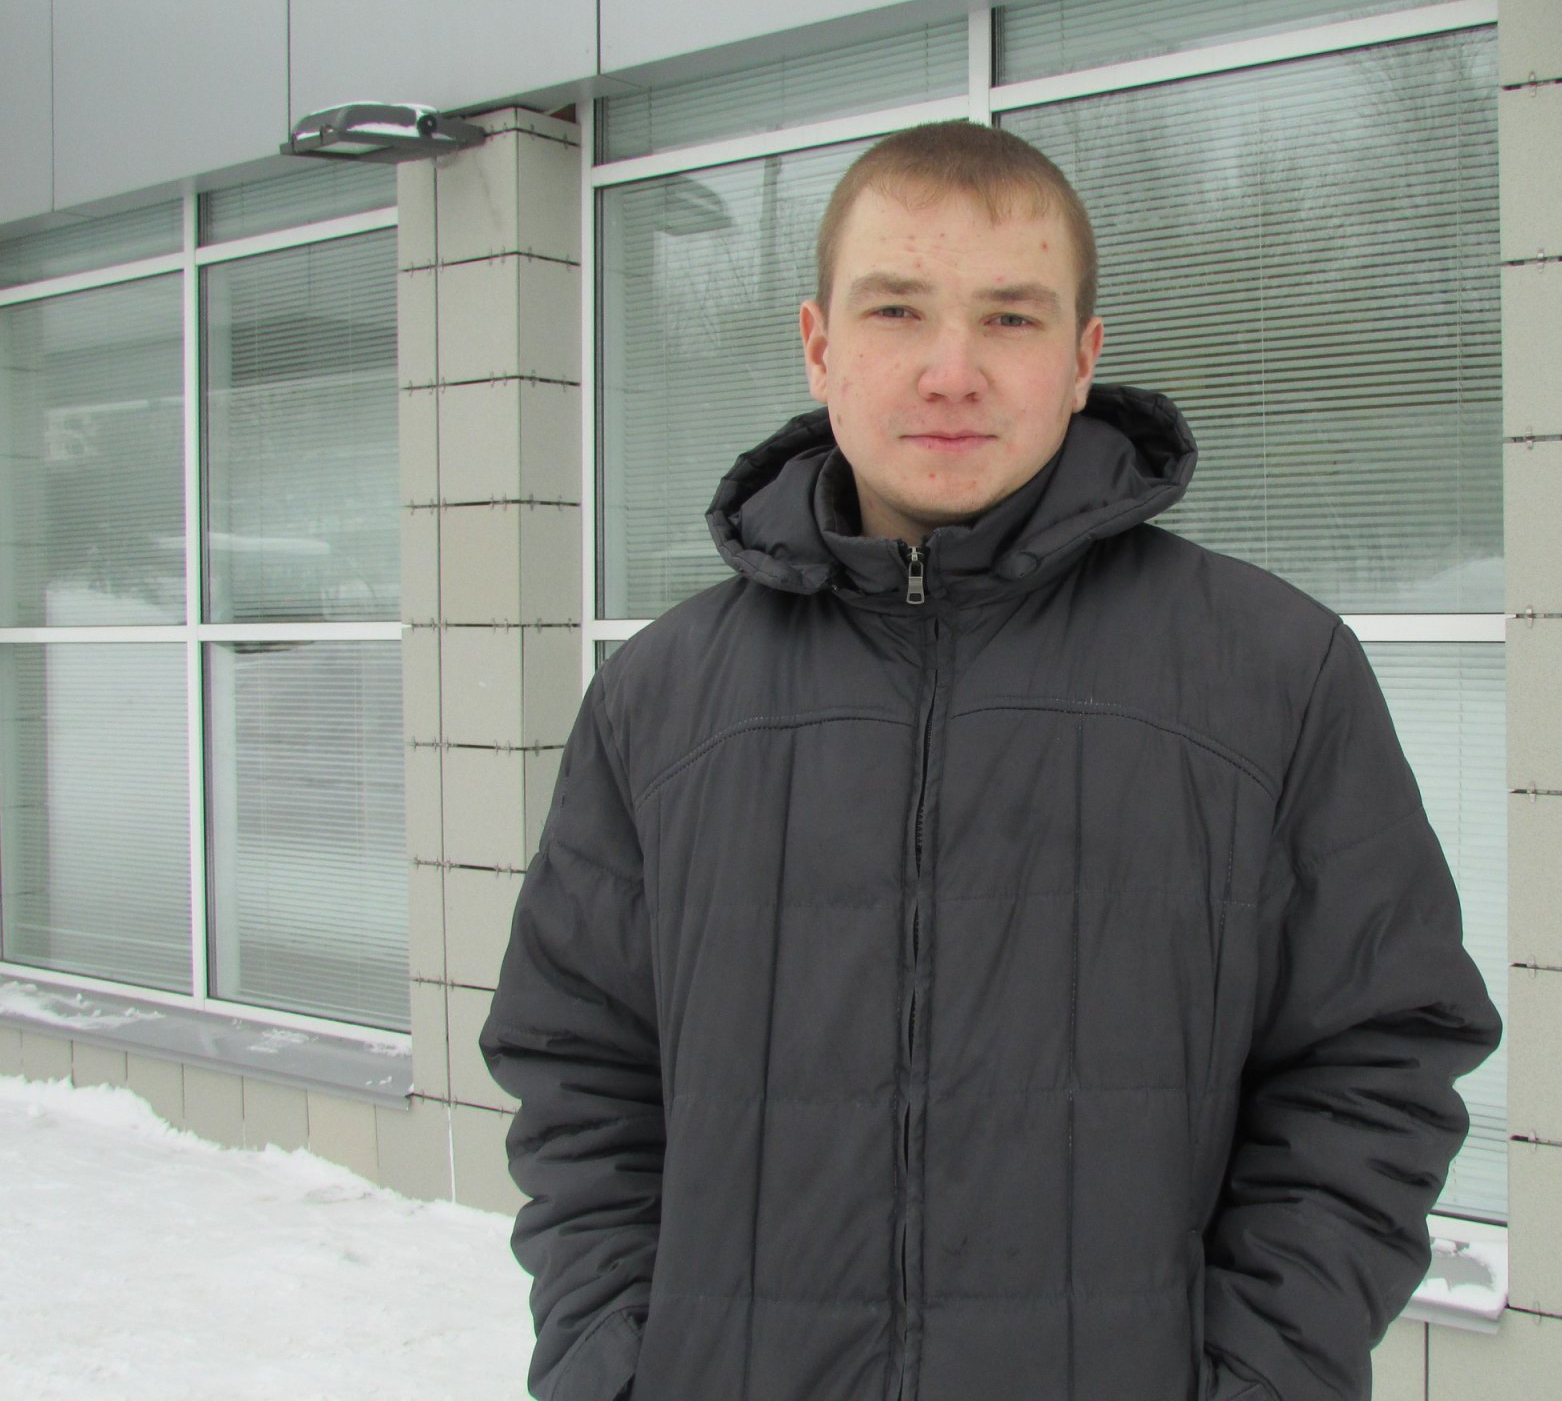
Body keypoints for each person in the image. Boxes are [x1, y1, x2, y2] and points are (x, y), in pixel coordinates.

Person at [480, 121, 1502, 1401]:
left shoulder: (1271, 674)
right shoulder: (662, 699)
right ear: (818, 346)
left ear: (1082, 359)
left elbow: (1376, 1061)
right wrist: (614, 1363)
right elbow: (579, 1066)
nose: (950, 372)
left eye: (1010, 319)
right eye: (896, 311)